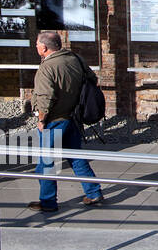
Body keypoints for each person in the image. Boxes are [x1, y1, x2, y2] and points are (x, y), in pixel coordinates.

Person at [28, 31, 104, 212]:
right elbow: (92, 79)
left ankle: (48, 202)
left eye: (37, 44)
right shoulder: (75, 59)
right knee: (76, 156)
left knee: (46, 163)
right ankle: (93, 192)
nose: (36, 47)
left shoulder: (47, 68)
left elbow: (46, 97)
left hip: (53, 121)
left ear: (44, 47)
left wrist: (41, 119)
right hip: (72, 117)